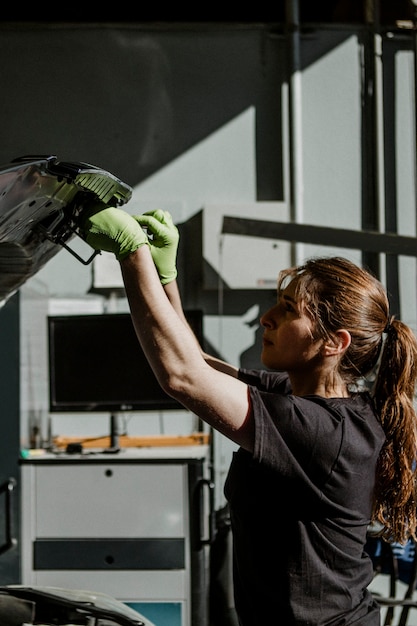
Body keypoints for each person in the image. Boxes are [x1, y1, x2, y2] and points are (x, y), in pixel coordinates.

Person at [80, 206, 417, 626]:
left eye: (289, 309)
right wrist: (166, 280)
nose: (267, 317)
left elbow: (181, 376)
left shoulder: (322, 432)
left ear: (334, 342)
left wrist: (133, 256)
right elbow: (197, 364)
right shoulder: (309, 398)